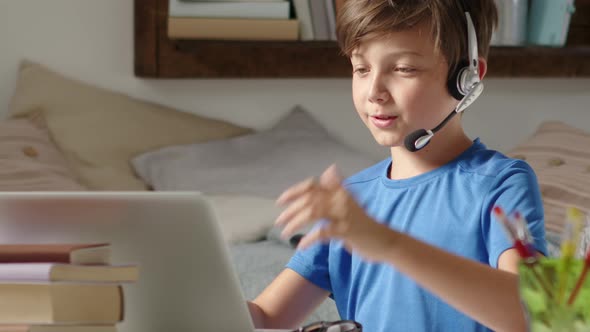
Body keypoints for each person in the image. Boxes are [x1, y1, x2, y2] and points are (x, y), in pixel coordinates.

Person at [247, 1, 547, 331]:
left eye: (403, 68)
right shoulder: (351, 202)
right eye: (361, 69)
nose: (374, 91)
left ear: (468, 76)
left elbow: (532, 315)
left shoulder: (501, 184)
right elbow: (265, 318)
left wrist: (386, 243)